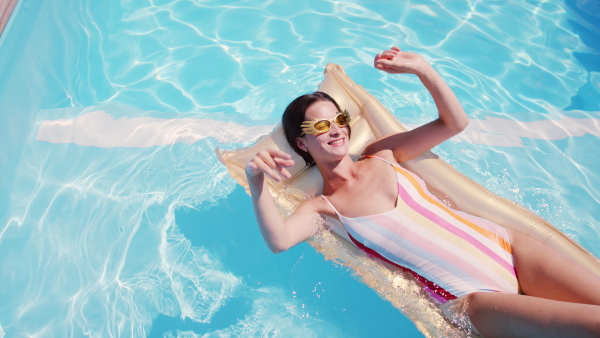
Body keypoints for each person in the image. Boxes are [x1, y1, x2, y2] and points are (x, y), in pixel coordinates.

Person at [245, 47, 600, 337]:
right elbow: (279, 240)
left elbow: (454, 123)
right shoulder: (323, 208)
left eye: (340, 120)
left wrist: (423, 70)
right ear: (300, 142)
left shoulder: (382, 153)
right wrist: (256, 179)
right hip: (473, 300)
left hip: (508, 246)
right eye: (321, 125)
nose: (336, 130)